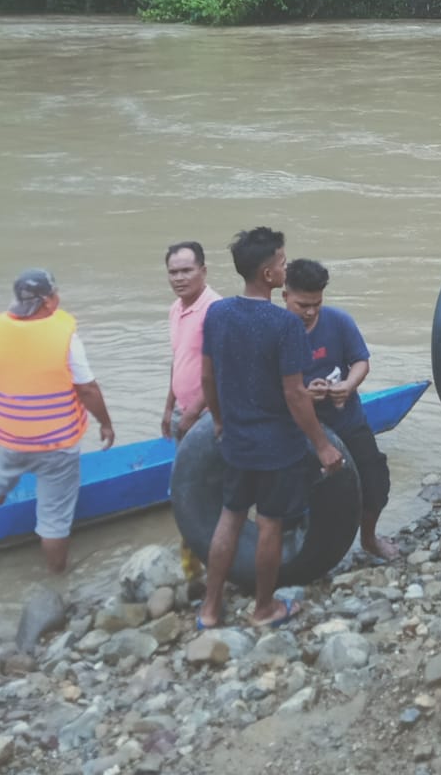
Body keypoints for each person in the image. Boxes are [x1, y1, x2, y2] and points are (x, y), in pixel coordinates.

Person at [197, 227, 344, 629]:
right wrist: (322, 446)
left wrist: (219, 419)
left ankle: (209, 609)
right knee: (270, 525)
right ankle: (263, 608)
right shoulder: (285, 325)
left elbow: (207, 377)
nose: (285, 267)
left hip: (237, 440)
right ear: (267, 274)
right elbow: (295, 394)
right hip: (276, 445)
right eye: (281, 262)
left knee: (230, 518)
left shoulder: (218, 313)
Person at [0, 269, 116, 573]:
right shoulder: (64, 334)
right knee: (54, 516)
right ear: (48, 301)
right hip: (56, 444)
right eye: (54, 294)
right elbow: (87, 389)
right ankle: (57, 577)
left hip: (9, 436)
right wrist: (105, 423)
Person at [281, 258, 398, 560]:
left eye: (316, 304)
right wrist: (304, 394)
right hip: (299, 431)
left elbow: (360, 362)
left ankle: (369, 539)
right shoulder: (275, 332)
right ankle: (303, 555)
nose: (310, 312)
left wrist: (347, 386)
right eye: (302, 305)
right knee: (300, 496)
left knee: (376, 483)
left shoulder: (338, 321)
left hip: (347, 420)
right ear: (285, 296)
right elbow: (267, 390)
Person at [162, 241, 221, 441]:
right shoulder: (176, 308)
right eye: (173, 272)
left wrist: (193, 413)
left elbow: (223, 368)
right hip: (182, 409)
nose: (179, 278)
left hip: (208, 415)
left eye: (187, 271)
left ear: (203, 271)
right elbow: (178, 359)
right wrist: (169, 407)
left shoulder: (216, 310)